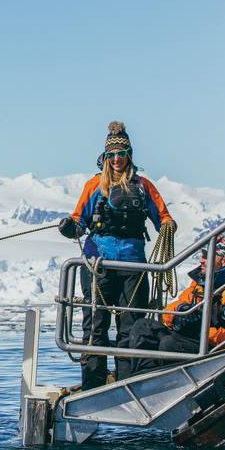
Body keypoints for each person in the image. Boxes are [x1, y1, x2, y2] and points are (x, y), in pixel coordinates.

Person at [57, 121, 176, 389]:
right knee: (95, 325)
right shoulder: (93, 186)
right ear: (105, 158)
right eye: (112, 155)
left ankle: (127, 383)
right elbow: (79, 221)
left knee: (131, 327)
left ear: (129, 155)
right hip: (98, 265)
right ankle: (93, 385)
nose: (117, 159)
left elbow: (164, 219)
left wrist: (168, 227)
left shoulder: (144, 187)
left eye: (121, 154)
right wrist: (69, 228)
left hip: (133, 265)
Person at [127, 234, 225, 376]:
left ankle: (164, 383)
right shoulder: (200, 284)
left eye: (207, 256)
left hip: (215, 351)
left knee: (169, 344)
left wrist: (205, 332)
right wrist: (180, 314)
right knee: (142, 326)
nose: (202, 260)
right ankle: (142, 378)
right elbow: (170, 310)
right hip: (192, 339)